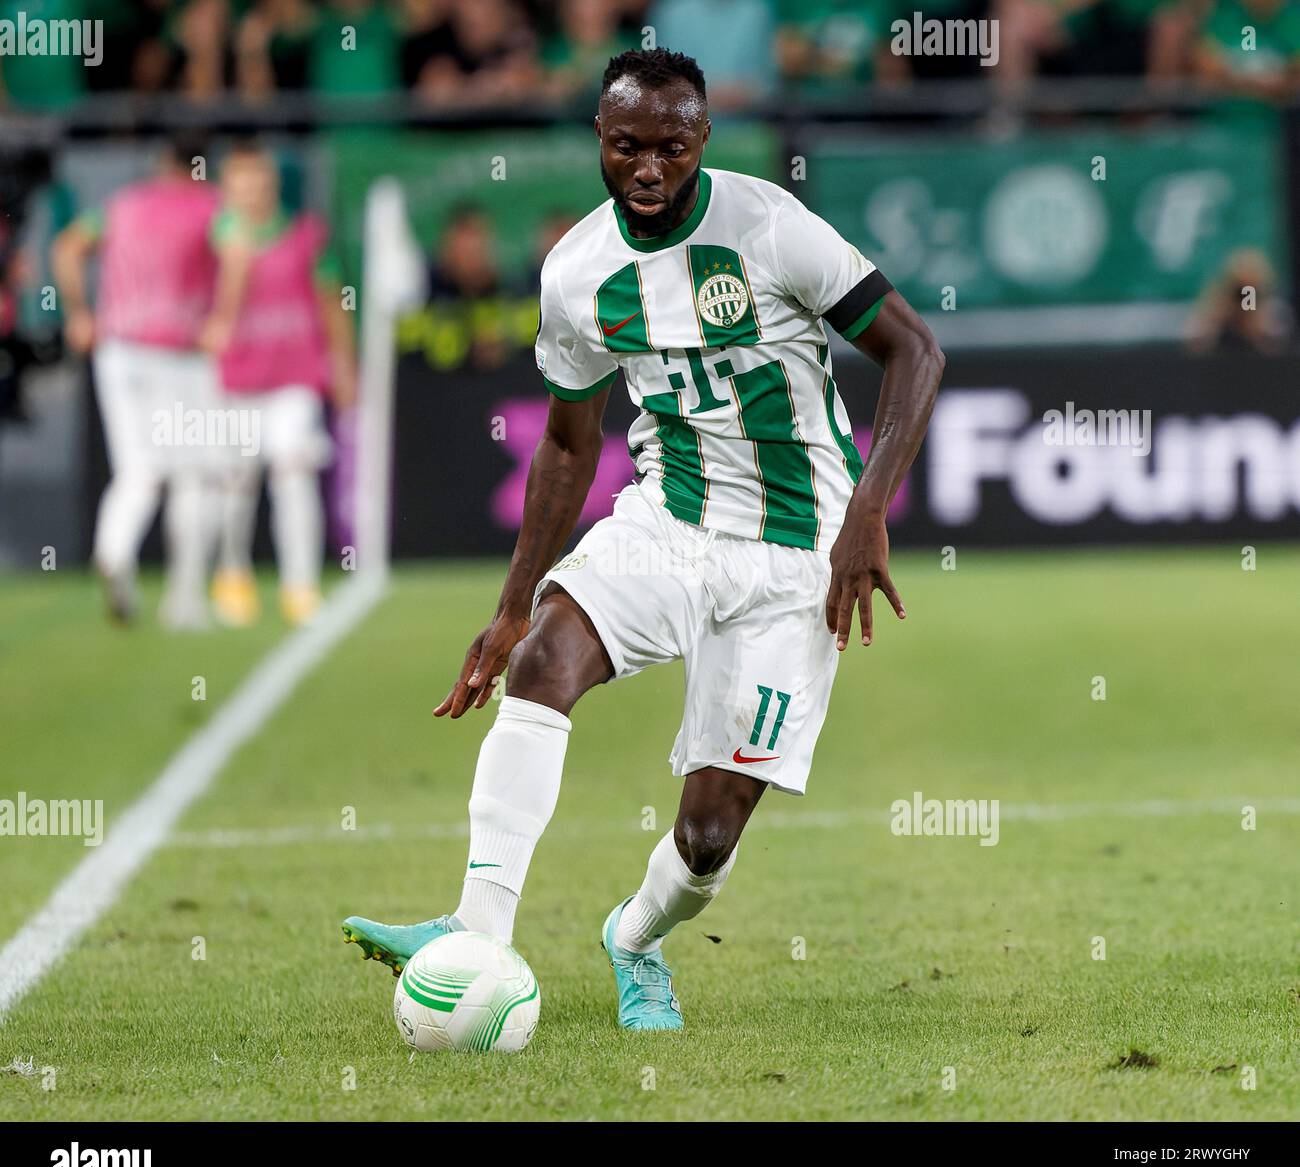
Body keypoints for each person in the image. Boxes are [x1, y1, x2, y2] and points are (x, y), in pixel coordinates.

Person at [343, 48, 944, 1030]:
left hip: (798, 553)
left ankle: (634, 939)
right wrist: (506, 611)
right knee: (545, 661)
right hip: (670, 520)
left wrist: (868, 510)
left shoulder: (771, 228)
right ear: (599, 140)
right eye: (627, 146)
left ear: (702, 139)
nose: (650, 167)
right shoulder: (577, 273)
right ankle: (475, 932)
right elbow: (568, 447)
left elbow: (914, 349)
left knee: (707, 837)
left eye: (671, 146)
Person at [51, 137, 221, 627]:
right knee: (193, 473)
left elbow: (65, 247)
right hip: (183, 353)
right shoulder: (211, 207)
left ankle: (115, 551)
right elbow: (237, 254)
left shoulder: (122, 206)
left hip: (119, 349)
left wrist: (79, 314)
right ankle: (185, 598)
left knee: (139, 469)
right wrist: (225, 316)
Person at [200, 143, 356, 627]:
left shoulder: (307, 236)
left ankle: (300, 586)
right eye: (241, 183)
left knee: (293, 471)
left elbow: (331, 302)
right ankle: (232, 578)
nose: (252, 193)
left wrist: (344, 365)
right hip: (235, 378)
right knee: (236, 481)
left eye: (259, 181)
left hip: (294, 376)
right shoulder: (215, 237)